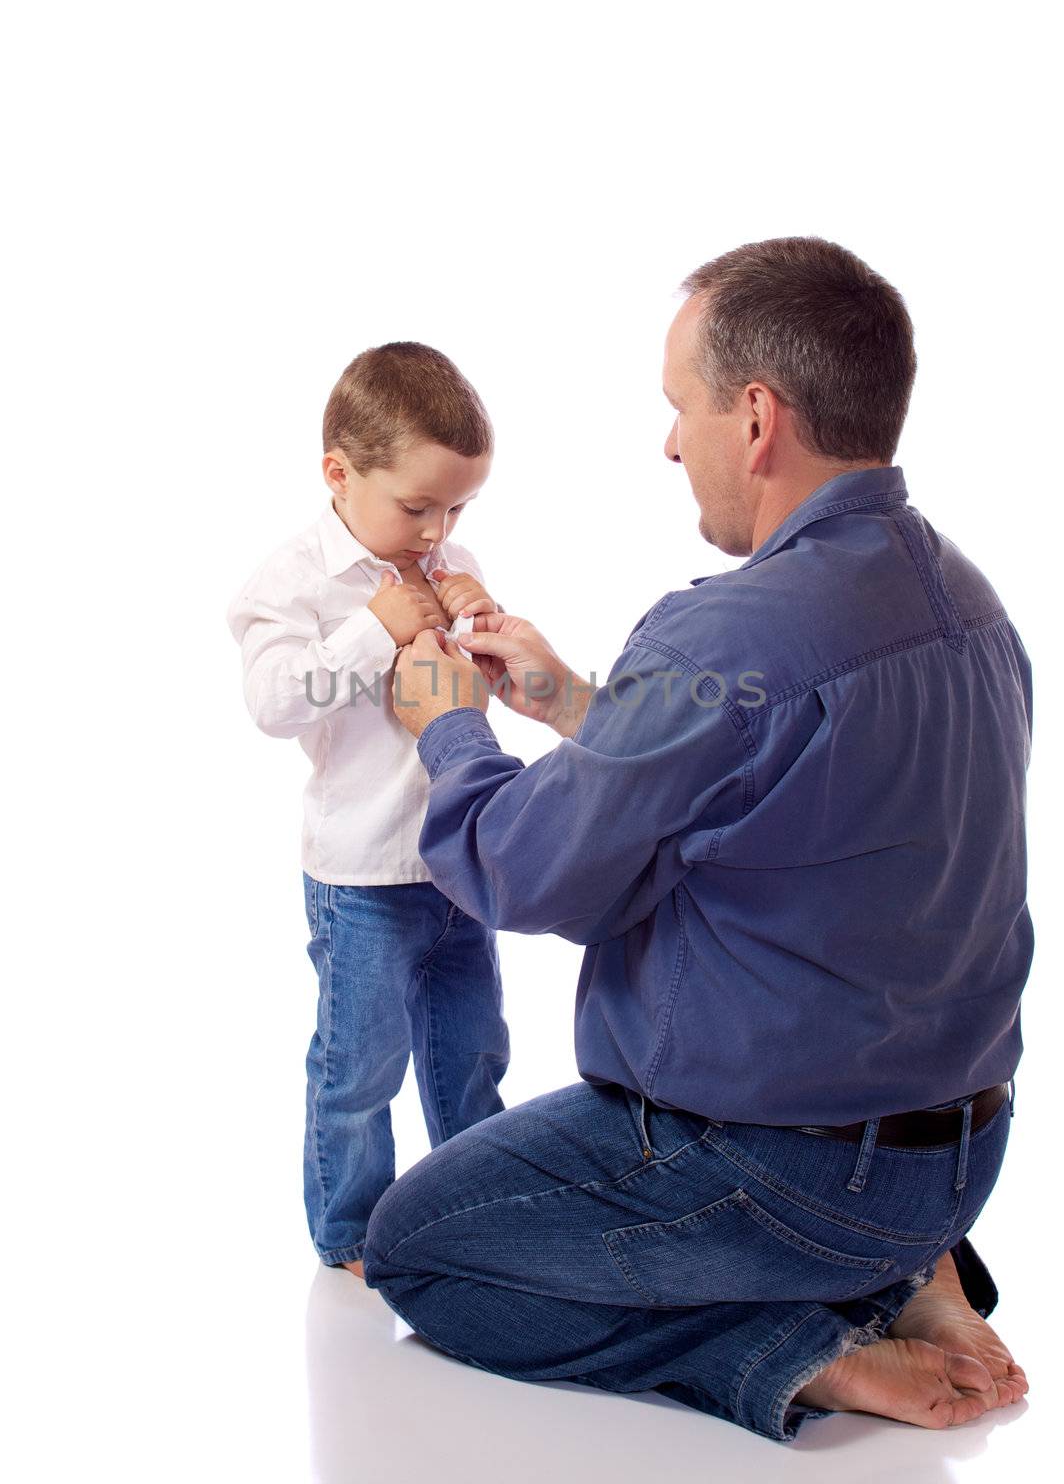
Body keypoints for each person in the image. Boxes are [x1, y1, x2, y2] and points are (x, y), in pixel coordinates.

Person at [359, 238, 1033, 1443]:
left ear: (757, 416)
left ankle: (800, 1345)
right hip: (961, 1161)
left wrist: (450, 733)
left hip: (783, 1178)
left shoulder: (726, 636)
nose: (671, 443)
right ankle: (907, 1272)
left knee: (416, 1249)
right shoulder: (968, 603)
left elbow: (524, 870)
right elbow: (767, 785)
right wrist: (579, 704)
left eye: (681, 408)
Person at [226, 342, 511, 1275]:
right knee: (359, 1068)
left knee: (471, 1056)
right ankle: (350, 1229)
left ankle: (481, 1212)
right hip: (362, 880)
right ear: (338, 474)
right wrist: (370, 628)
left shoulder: (445, 560)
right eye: (418, 505)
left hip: (460, 865)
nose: (437, 531)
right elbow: (273, 702)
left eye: (457, 507)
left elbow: (467, 695)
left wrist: (480, 623)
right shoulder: (295, 580)